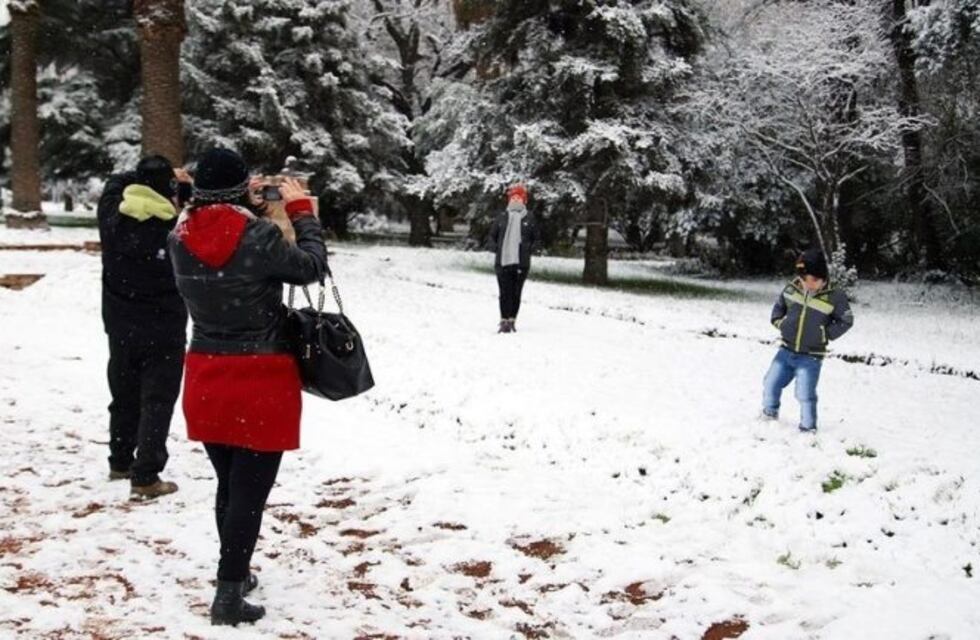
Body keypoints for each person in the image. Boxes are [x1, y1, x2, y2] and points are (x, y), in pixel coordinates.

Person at [168, 148, 326, 626]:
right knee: (249, 494)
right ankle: (229, 593)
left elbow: (211, 226)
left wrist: (236, 202)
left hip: (206, 374)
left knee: (229, 483)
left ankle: (234, 571)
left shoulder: (178, 235)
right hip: (261, 376)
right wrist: (301, 213)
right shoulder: (257, 235)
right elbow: (311, 266)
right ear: (242, 189)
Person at [97, 155, 192, 500]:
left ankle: (120, 460)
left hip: (120, 325)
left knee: (123, 394)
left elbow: (113, 187)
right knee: (158, 399)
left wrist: (143, 175)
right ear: (168, 191)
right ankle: (146, 473)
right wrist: (180, 183)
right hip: (164, 327)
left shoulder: (111, 220)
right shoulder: (177, 230)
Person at [762, 248, 854, 432]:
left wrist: (825, 334)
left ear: (823, 278)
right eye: (805, 280)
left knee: (804, 393)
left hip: (811, 356)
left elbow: (846, 320)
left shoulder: (834, 297)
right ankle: (769, 414)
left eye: (814, 280)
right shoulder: (792, 289)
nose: (808, 285)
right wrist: (781, 323)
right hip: (786, 350)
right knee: (771, 381)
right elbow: (779, 308)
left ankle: (808, 426)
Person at [487, 183, 540, 333]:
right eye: (513, 197)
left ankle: (512, 320)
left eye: (519, 197)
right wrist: (494, 247)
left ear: (524, 200)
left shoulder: (529, 218)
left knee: (516, 292)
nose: (516, 200)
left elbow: (536, 238)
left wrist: (530, 249)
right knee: (504, 291)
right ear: (509, 199)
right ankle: (503, 320)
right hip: (503, 261)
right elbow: (492, 235)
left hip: (521, 262)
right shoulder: (502, 217)